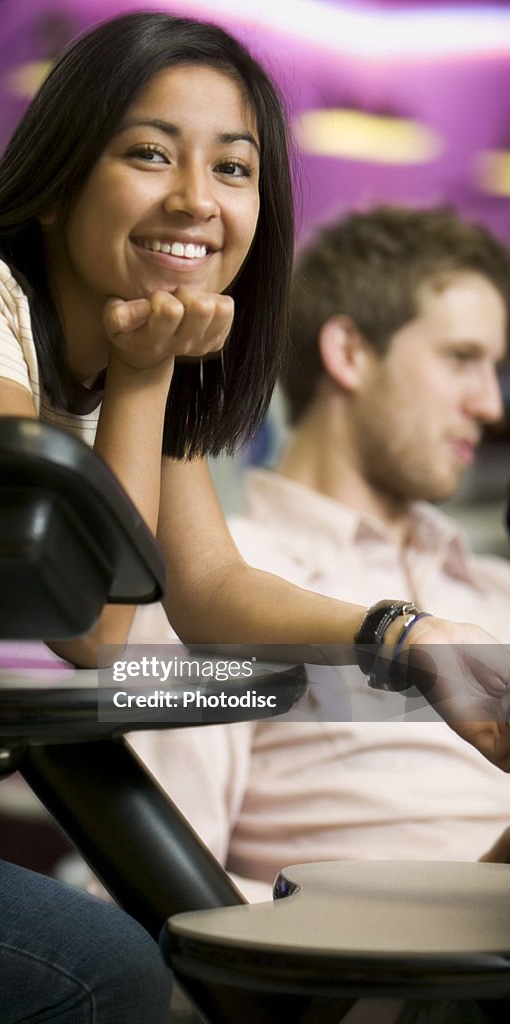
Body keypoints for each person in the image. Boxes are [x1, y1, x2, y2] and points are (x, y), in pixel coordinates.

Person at [0, 5, 508, 1018]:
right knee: (100, 974)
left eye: (234, 168)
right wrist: (148, 375)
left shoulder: (121, 349)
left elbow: (206, 590)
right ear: (61, 180)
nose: (196, 200)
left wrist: (410, 635)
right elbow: (88, 629)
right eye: (151, 153)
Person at [130, 205, 510, 904]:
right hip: (388, 988)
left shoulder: (498, 588)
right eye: (461, 359)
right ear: (350, 353)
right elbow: (146, 893)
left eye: (495, 368)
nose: (489, 403)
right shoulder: (210, 586)